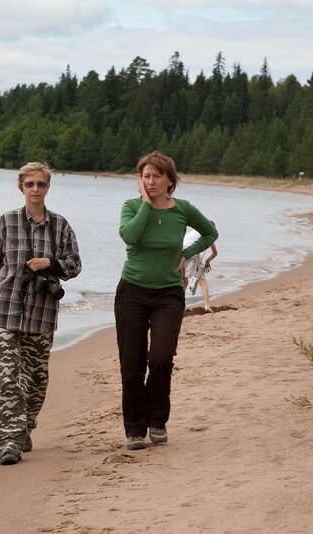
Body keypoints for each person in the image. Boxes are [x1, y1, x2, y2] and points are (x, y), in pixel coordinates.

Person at [0, 162, 82, 466]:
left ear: (47, 187)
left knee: (36, 381)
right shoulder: (5, 222)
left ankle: (25, 426)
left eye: (40, 184)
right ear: (21, 187)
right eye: (29, 184)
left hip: (41, 316)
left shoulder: (61, 226)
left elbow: (75, 265)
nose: (34, 189)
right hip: (4, 310)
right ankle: (9, 443)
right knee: (5, 380)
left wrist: (51, 264)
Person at [115, 151, 218, 451]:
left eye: (157, 175)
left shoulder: (183, 209)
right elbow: (130, 237)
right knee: (131, 365)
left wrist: (187, 254)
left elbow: (211, 232)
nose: (150, 181)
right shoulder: (132, 206)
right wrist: (146, 205)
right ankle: (135, 429)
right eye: (146, 176)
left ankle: (157, 420)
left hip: (168, 295)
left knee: (160, 357)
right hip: (131, 293)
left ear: (170, 180)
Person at [183, 223, 218, 313]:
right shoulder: (208, 233)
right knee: (202, 280)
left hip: (179, 252)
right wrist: (207, 261)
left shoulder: (193, 232)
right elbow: (214, 253)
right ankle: (207, 306)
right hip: (191, 251)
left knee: (184, 281)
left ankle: (179, 305)